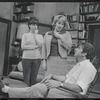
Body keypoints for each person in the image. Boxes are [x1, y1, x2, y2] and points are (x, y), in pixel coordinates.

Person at [0, 42, 97, 98]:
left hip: (71, 94)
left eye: (78, 48)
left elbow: (78, 88)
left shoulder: (88, 68)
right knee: (39, 86)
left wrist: (59, 84)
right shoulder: (79, 65)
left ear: (84, 53)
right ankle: (8, 91)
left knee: (39, 88)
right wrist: (53, 75)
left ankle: (7, 91)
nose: (75, 49)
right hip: (64, 89)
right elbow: (66, 77)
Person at [21, 17, 43, 86]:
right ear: (29, 25)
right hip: (26, 58)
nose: (35, 27)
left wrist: (35, 35)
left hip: (37, 59)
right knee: (26, 78)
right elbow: (23, 47)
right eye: (33, 25)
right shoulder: (25, 35)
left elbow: (40, 45)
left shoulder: (40, 36)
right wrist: (34, 47)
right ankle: (25, 93)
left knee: (33, 79)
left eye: (36, 25)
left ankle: (31, 95)